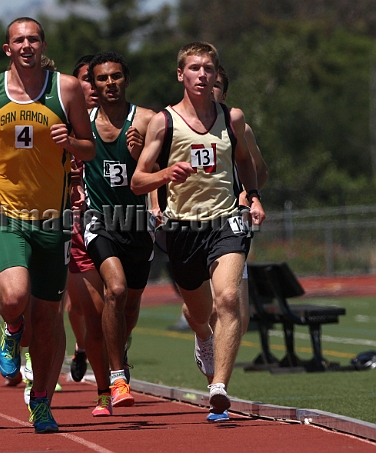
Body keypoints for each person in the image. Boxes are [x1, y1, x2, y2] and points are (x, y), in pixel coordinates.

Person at [0, 17, 95, 433]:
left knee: (49, 320)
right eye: (20, 40)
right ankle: (11, 328)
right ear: (8, 48)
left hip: (52, 219)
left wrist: (70, 142)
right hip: (7, 214)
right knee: (14, 298)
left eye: (34, 39)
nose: (27, 45)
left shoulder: (65, 88)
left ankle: (41, 403)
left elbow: (88, 147)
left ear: (43, 45)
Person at [131, 42, 266, 417]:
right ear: (181, 75)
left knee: (227, 299)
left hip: (225, 221)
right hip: (182, 229)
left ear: (216, 74)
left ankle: (219, 388)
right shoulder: (164, 122)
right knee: (199, 311)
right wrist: (165, 173)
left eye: (208, 68)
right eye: (194, 68)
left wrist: (252, 196)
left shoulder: (231, 118)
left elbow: (244, 161)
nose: (202, 75)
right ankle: (204, 337)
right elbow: (138, 180)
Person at [80, 51, 156, 415]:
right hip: (99, 220)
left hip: (138, 222)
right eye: (101, 78)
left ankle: (119, 351)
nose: (109, 83)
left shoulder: (148, 120)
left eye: (115, 76)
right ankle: (117, 378)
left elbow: (165, 173)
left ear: (126, 79)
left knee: (130, 303)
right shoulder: (83, 122)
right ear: (92, 84)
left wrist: (145, 158)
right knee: (116, 288)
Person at [65, 54, 100, 383]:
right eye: (86, 78)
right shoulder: (67, 121)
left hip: (111, 218)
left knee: (114, 294)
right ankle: (82, 347)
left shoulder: (120, 121)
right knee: (77, 303)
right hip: (72, 218)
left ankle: (115, 353)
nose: (92, 85)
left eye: (97, 77)